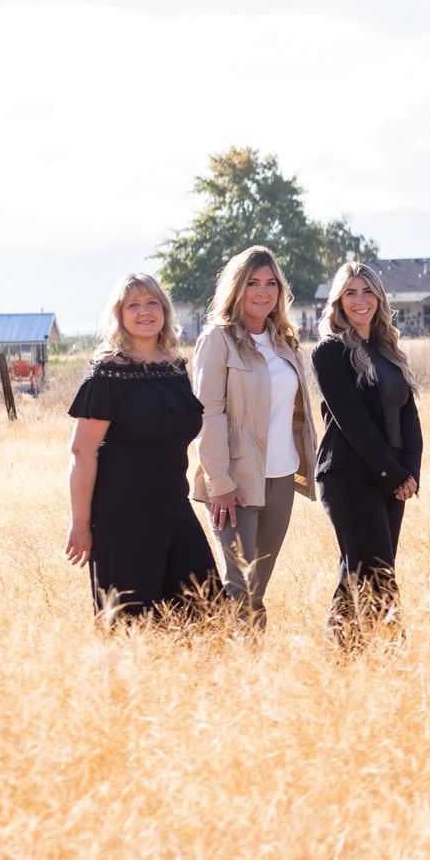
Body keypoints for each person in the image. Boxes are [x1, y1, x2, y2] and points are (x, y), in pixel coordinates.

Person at [64, 273, 221, 621]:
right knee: (129, 620)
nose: (144, 311)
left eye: (152, 303)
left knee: (208, 609)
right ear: (119, 315)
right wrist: (80, 523)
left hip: (173, 507)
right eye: (133, 305)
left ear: (164, 310)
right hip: (122, 515)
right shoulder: (108, 372)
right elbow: (81, 451)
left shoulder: (175, 368)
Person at [190, 246, 318, 630]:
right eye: (252, 284)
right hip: (235, 482)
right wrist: (220, 482)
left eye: (270, 283)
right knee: (238, 588)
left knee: (257, 589)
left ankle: (254, 676)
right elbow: (207, 414)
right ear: (236, 288)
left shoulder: (283, 342)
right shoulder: (218, 340)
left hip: (281, 478)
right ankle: (228, 672)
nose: (262, 292)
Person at [311, 262, 421, 647]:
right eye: (351, 293)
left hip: (391, 476)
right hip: (348, 474)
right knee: (376, 572)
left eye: (367, 292)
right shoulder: (330, 352)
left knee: (359, 568)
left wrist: (411, 474)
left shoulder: (388, 350)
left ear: (379, 298)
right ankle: (394, 657)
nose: (360, 301)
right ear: (339, 301)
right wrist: (393, 474)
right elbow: (352, 422)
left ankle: (341, 661)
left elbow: (410, 419)